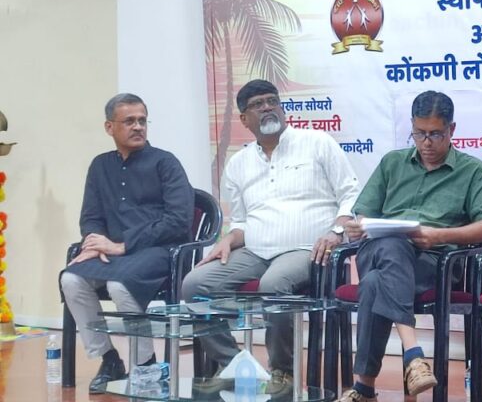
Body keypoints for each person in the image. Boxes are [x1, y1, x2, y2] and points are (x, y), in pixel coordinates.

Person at [181, 79, 360, 395]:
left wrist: (336, 231)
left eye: (272, 101)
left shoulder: (317, 142)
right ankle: (234, 364)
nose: (267, 108)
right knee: (195, 284)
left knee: (273, 284)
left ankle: (283, 371)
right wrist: (228, 240)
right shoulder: (238, 163)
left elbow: (350, 193)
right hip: (255, 250)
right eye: (257, 104)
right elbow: (241, 222)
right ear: (244, 119)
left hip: (306, 248)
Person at [339, 91, 482, 402]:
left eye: (435, 134)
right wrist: (358, 225)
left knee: (373, 282)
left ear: (452, 130)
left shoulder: (473, 170)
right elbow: (364, 212)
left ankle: (364, 389)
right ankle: (413, 355)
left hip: (433, 265)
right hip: (378, 252)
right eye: (419, 133)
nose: (426, 143)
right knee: (391, 243)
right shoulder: (392, 163)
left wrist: (438, 236)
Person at [60, 93, 195, 393]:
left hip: (159, 251)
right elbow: (91, 216)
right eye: (129, 121)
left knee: (121, 284)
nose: (138, 127)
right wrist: (94, 242)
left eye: (142, 121)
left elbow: (178, 220)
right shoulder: (100, 166)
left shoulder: (165, 163)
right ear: (109, 127)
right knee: (71, 279)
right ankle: (109, 359)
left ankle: (145, 364)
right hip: (113, 254)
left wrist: (123, 245)